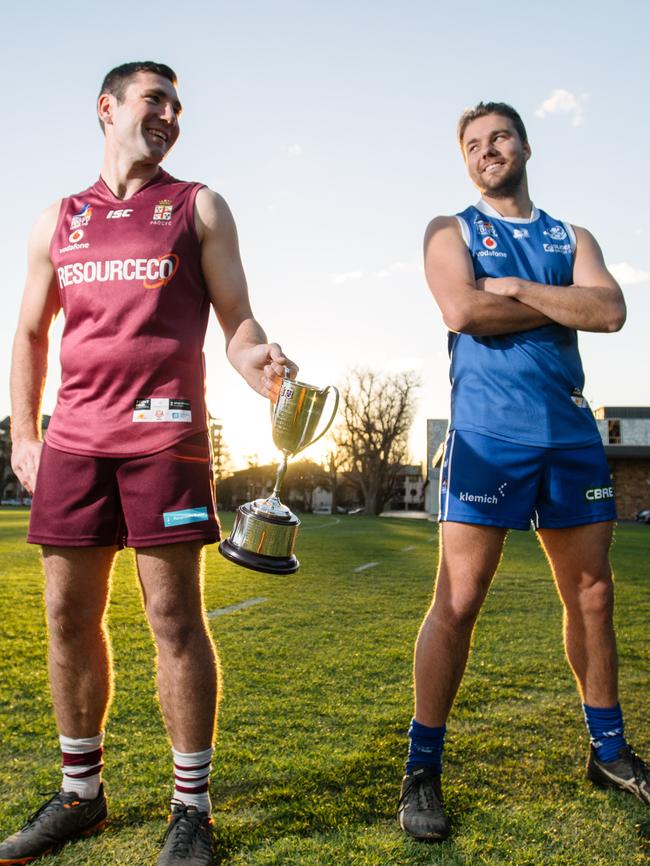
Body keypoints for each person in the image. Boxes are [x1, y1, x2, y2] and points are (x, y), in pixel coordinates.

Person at [2, 61, 296, 866]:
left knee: (174, 622)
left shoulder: (197, 205)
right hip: (74, 444)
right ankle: (80, 796)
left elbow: (236, 320)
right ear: (107, 109)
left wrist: (258, 359)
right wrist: (26, 437)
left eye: (177, 105)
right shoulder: (57, 221)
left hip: (165, 439)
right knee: (67, 617)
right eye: (153, 99)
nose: (169, 114)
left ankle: (191, 811)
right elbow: (29, 334)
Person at [398, 101, 649, 841]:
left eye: (498, 137)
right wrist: (557, 304)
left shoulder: (572, 236)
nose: (486, 151)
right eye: (473, 145)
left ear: (525, 144)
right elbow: (462, 310)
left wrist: (516, 288)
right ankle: (421, 768)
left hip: (569, 434)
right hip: (486, 437)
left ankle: (609, 752)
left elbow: (610, 311)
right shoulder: (451, 230)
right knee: (460, 600)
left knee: (594, 596)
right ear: (465, 160)